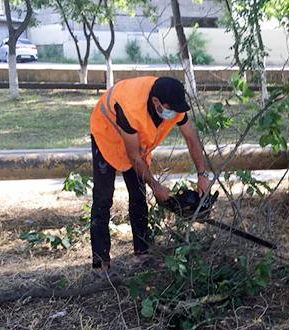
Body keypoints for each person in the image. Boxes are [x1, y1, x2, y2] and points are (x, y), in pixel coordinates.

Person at [89, 76, 210, 275]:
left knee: (138, 194)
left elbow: (191, 138)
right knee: (103, 197)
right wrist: (156, 186)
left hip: (134, 141)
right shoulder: (131, 108)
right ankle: (100, 263)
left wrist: (202, 174)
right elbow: (133, 156)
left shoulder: (172, 103)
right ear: (156, 103)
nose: (176, 114)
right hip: (107, 135)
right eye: (172, 109)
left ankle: (141, 253)